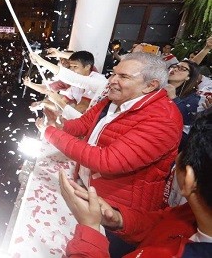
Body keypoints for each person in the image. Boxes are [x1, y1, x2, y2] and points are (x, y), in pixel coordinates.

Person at [36, 52, 182, 212]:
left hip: (119, 211)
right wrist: (59, 124)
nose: (112, 80)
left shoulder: (163, 119)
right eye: (113, 73)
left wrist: (51, 132)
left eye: (123, 76)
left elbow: (107, 161)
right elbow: (83, 124)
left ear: (150, 85)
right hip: (89, 190)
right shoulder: (113, 99)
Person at [60, 109, 212, 257]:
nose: (113, 81)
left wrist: (90, 230)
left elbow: (107, 159)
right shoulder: (197, 211)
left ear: (188, 179)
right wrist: (119, 219)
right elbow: (164, 222)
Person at [164, 60, 202, 151]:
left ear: (188, 77)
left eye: (182, 69)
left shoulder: (192, 97)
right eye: (175, 66)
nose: (176, 69)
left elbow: (188, 120)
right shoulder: (156, 84)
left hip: (169, 140)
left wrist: (174, 98)